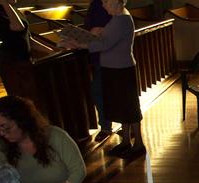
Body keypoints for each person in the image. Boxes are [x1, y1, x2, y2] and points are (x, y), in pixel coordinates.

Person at [61, 0, 145, 159]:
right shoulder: (117, 17)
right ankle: (126, 142)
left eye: (106, 1)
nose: (103, 5)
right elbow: (107, 37)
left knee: (130, 108)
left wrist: (79, 44)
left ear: (116, 1)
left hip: (122, 69)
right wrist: (98, 32)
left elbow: (105, 45)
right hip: (114, 68)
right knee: (122, 108)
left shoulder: (122, 19)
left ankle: (139, 145)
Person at [0, 0, 53, 100]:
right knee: (20, 97)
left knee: (33, 94)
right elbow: (18, 27)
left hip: (23, 59)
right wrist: (5, 4)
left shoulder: (13, 9)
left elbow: (28, 38)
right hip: (9, 61)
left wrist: (51, 51)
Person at [84, 0, 113, 142]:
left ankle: (109, 126)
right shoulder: (96, 3)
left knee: (101, 91)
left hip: (106, 55)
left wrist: (81, 41)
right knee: (100, 91)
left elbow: (101, 29)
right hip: (99, 55)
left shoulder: (103, 4)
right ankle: (110, 125)